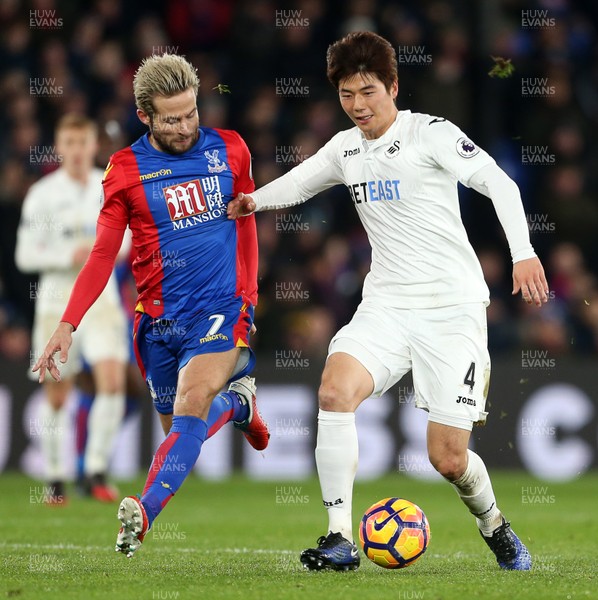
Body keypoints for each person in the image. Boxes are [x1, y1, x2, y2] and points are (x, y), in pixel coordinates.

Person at [228, 31, 548, 572]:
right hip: (387, 305)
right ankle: (338, 539)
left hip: (452, 309)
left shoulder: (431, 134)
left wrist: (523, 253)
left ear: (393, 87)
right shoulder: (346, 148)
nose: (358, 105)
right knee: (334, 391)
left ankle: (494, 525)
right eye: (348, 94)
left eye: (369, 92)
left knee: (447, 458)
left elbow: (501, 185)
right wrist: (252, 202)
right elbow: (302, 183)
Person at [32, 53, 270, 556]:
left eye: (191, 113)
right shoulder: (124, 170)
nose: (185, 127)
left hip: (219, 309)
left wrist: (247, 297)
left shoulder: (231, 149)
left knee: (189, 407)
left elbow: (247, 221)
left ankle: (142, 512)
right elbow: (101, 254)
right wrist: (67, 323)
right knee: (182, 431)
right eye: (172, 118)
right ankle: (239, 403)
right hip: (158, 320)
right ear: (145, 116)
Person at [16, 114, 129, 504]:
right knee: (57, 395)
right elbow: (24, 254)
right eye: (70, 142)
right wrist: (70, 254)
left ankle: (95, 470)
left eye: (83, 142)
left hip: (102, 299)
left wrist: (101, 254)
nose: (77, 151)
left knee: (111, 380)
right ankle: (55, 479)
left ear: (93, 145)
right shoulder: (42, 194)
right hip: (56, 300)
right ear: (60, 147)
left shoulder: (108, 184)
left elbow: (128, 241)